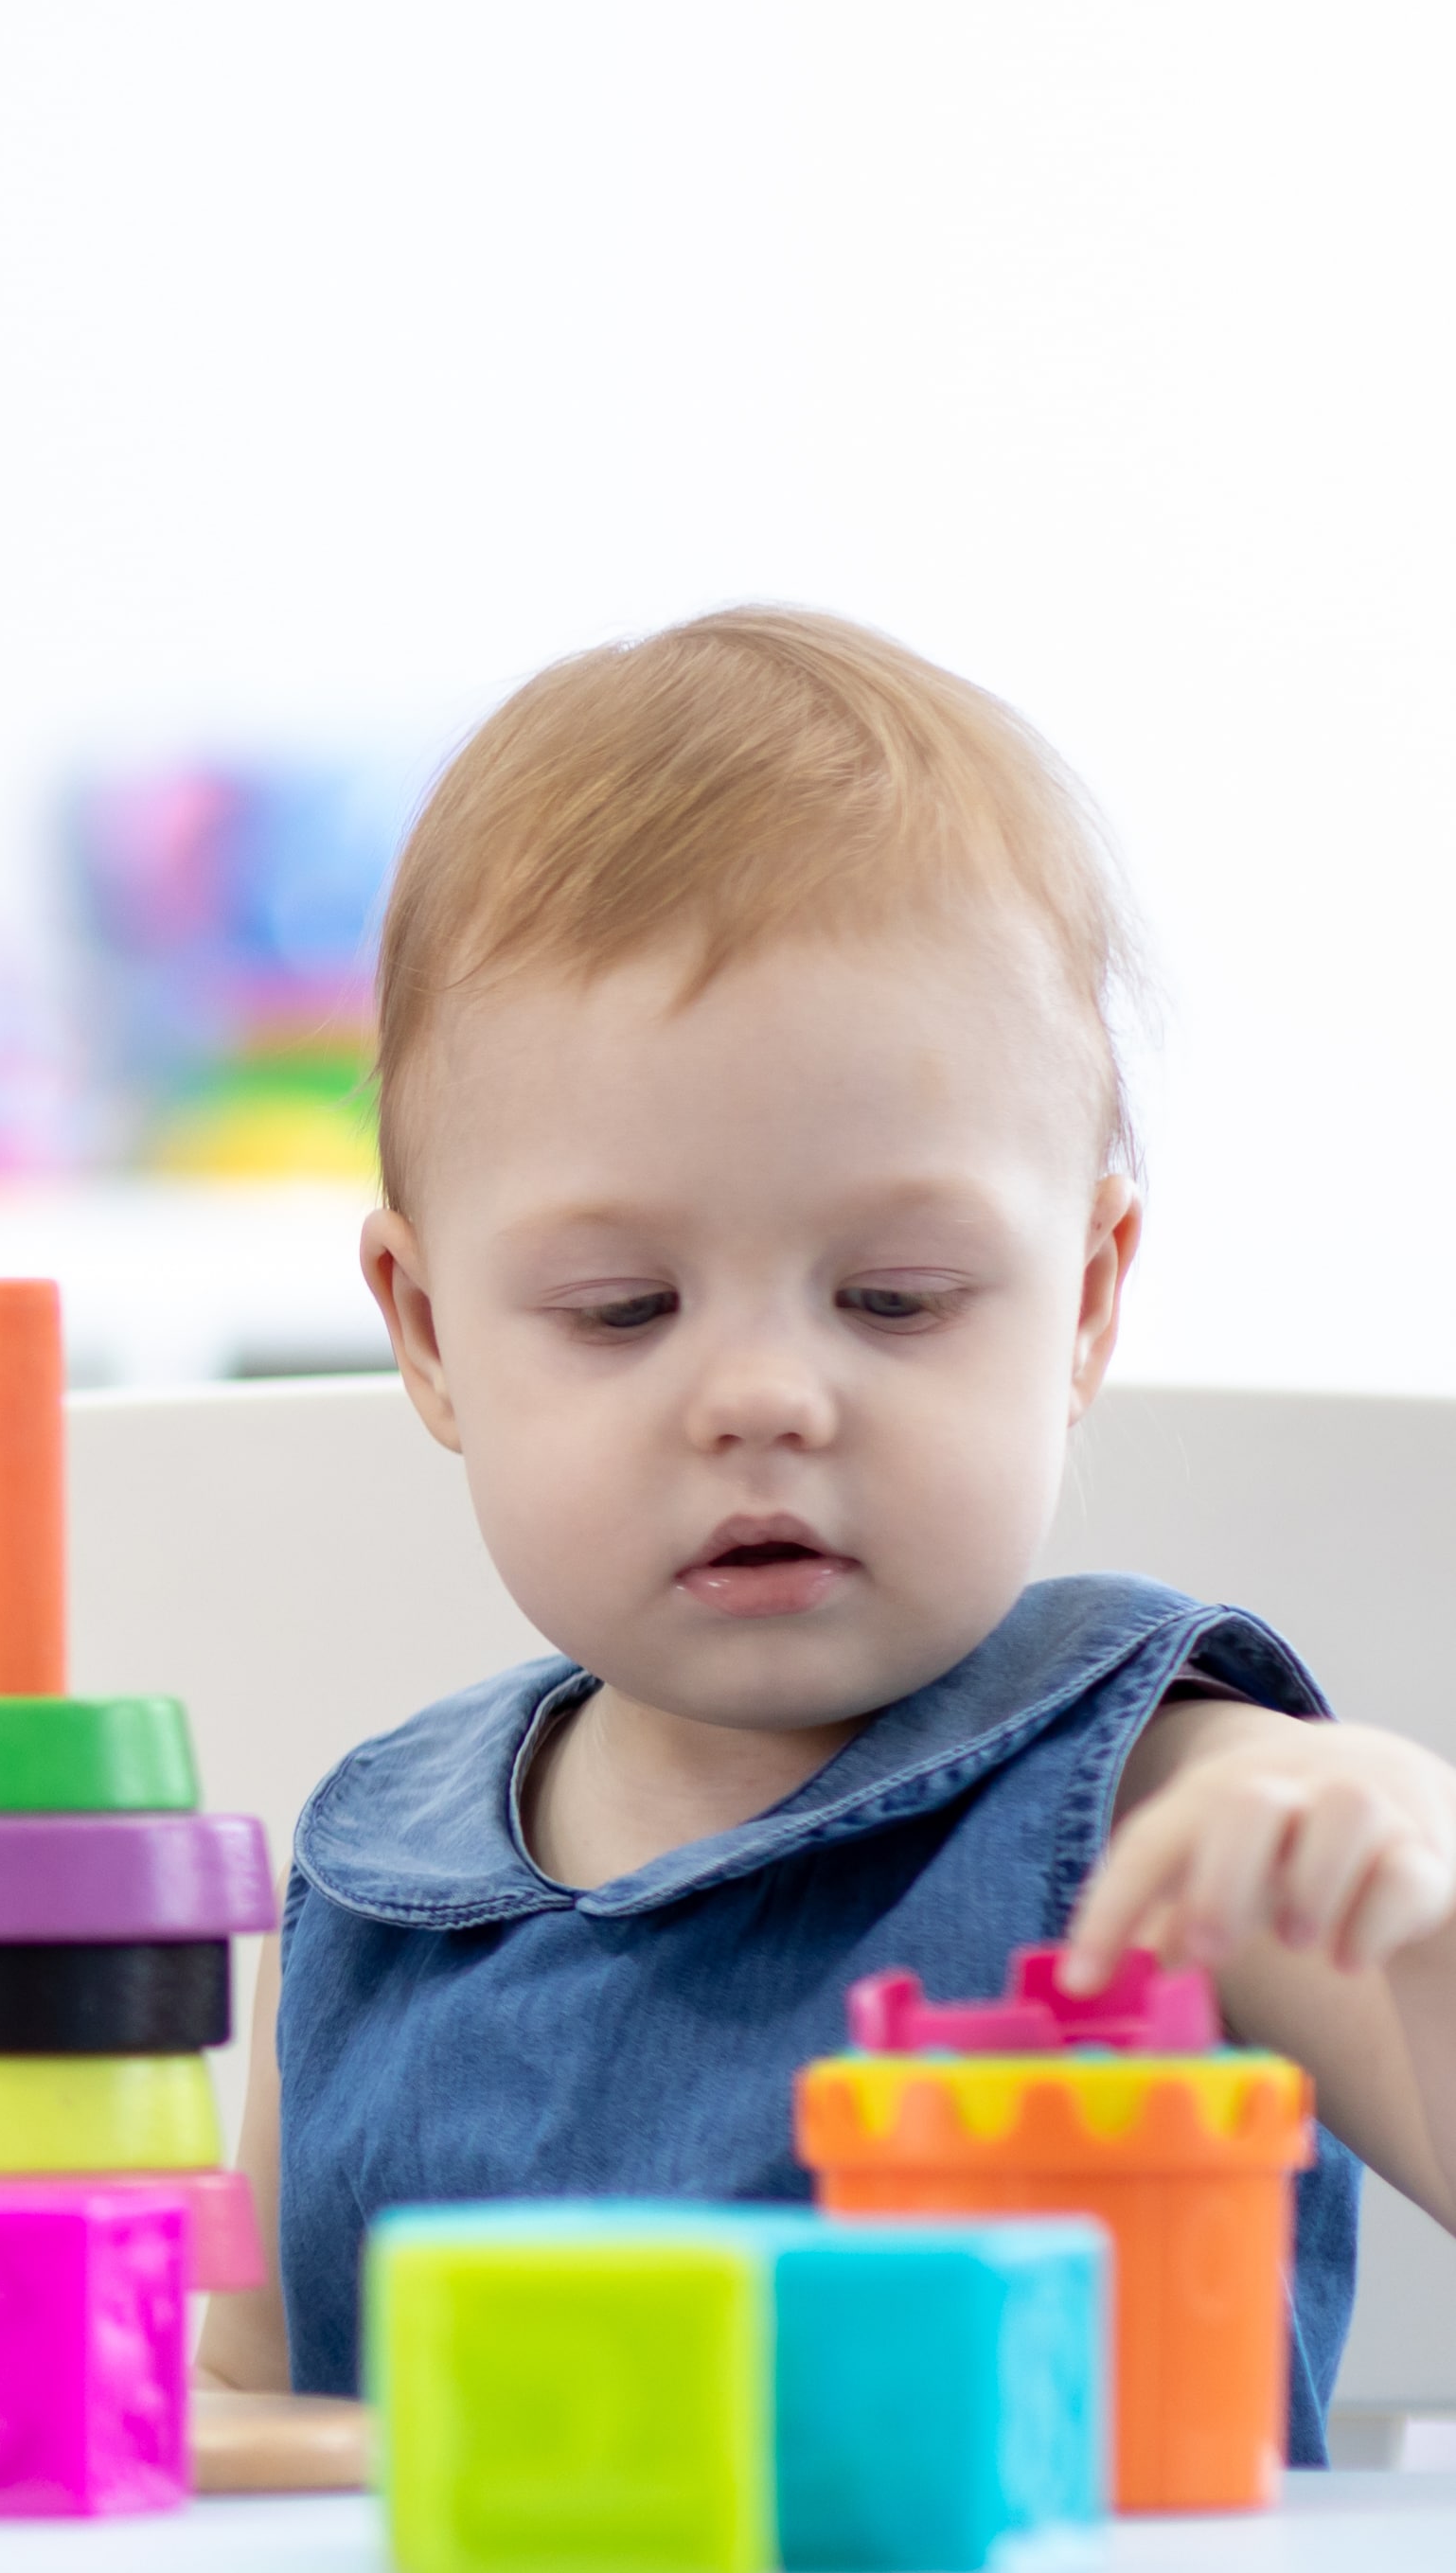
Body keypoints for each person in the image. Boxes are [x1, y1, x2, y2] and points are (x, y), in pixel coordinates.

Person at [201, 606, 1456, 2442]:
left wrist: (1417, 1894)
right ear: (429, 1332)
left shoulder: (1171, 1818)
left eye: (893, 1297)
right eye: (624, 1308)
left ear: (1086, 1298)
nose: (764, 1395)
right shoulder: (369, 1889)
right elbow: (233, 2409)